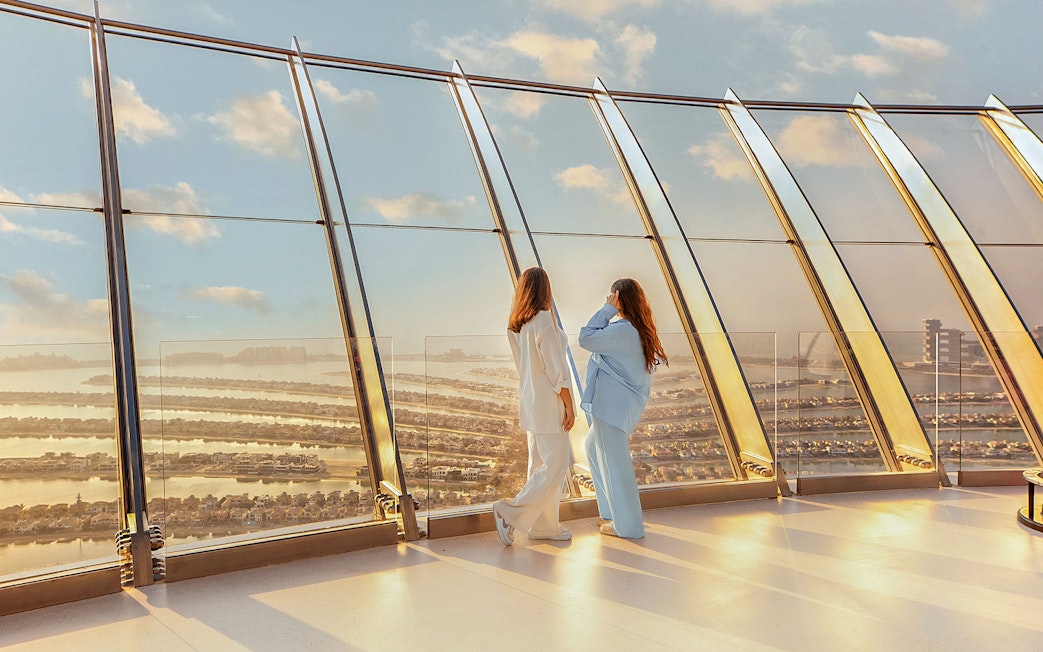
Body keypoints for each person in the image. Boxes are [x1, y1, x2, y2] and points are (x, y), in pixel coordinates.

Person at [492, 267, 576, 545]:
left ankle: (545, 527)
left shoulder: (517, 326)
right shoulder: (543, 322)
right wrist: (568, 405)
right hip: (549, 405)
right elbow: (556, 371)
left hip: (530, 403)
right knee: (556, 465)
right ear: (545, 290)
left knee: (540, 465)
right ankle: (510, 511)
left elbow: (524, 368)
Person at [579, 278, 667, 539]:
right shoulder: (637, 329)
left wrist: (606, 310)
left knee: (616, 465)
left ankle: (627, 526)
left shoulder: (621, 331)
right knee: (592, 448)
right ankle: (610, 513)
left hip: (610, 406)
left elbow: (586, 338)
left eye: (612, 296)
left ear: (617, 297)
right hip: (619, 406)